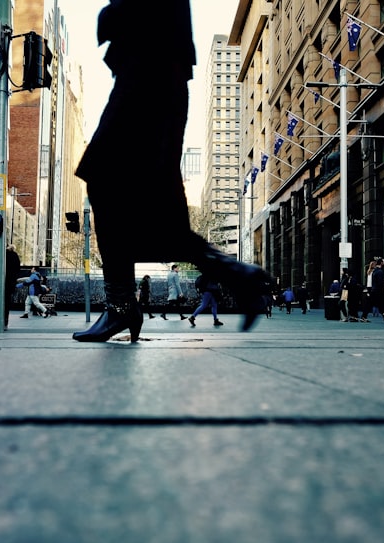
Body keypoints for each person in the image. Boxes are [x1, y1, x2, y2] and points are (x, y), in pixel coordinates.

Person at [71, 0, 270, 343]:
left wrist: (113, 15)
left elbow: (131, 15)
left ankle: (122, 306)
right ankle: (235, 275)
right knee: (135, 195)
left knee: (110, 180)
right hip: (154, 72)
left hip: (151, 71)